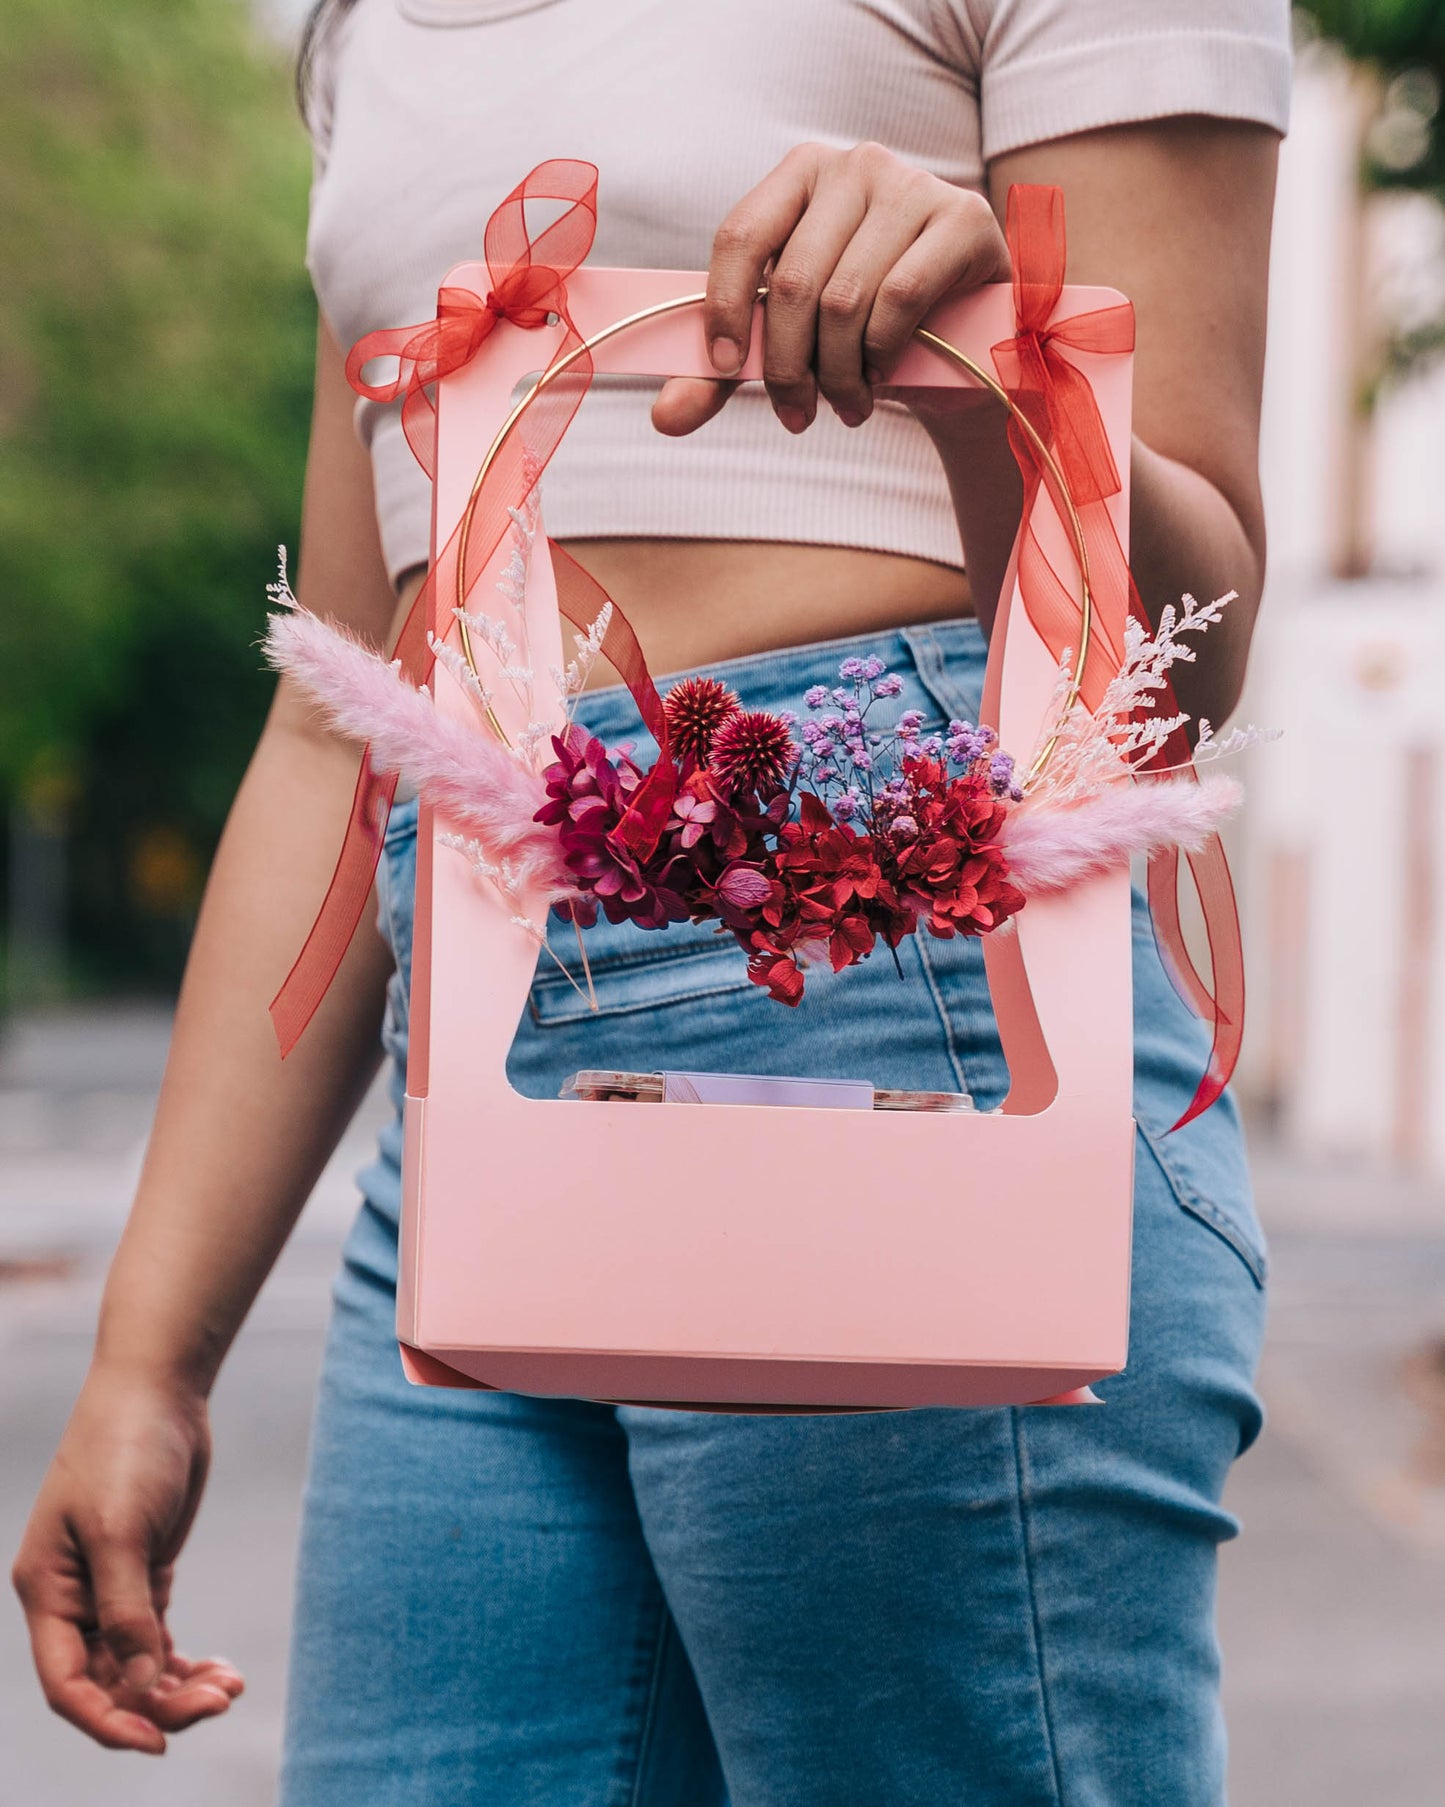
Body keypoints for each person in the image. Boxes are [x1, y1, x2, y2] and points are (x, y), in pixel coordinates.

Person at [12, 2, 1291, 1801]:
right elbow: (343, 716)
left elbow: (1190, 660)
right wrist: (149, 1357)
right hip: (481, 1065)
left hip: (897, 977)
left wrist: (995, 356)